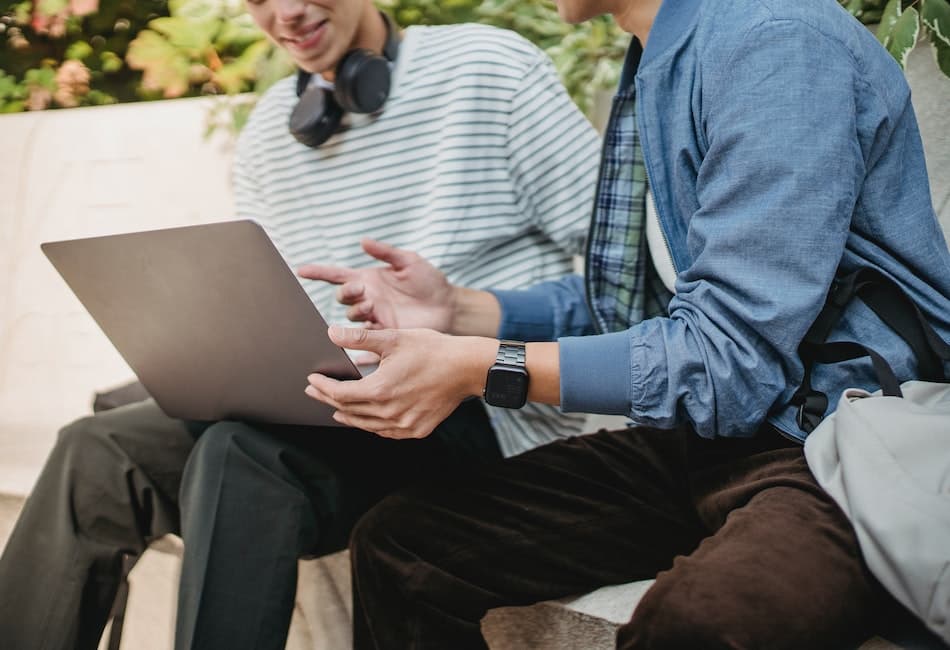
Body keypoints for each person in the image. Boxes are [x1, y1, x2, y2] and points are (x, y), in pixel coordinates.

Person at [297, 0, 950, 647]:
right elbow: (651, 304)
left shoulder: (775, 43)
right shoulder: (660, 54)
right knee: (404, 544)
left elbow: (726, 359)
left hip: (837, 440)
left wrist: (484, 368)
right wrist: (461, 312)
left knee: (706, 623)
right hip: (710, 436)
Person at [0, 1, 601, 648]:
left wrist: (461, 306)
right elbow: (283, 314)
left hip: (479, 407)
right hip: (332, 409)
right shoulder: (266, 136)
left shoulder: (488, 68)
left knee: (240, 453)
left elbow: (622, 282)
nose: (285, 12)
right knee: (96, 447)